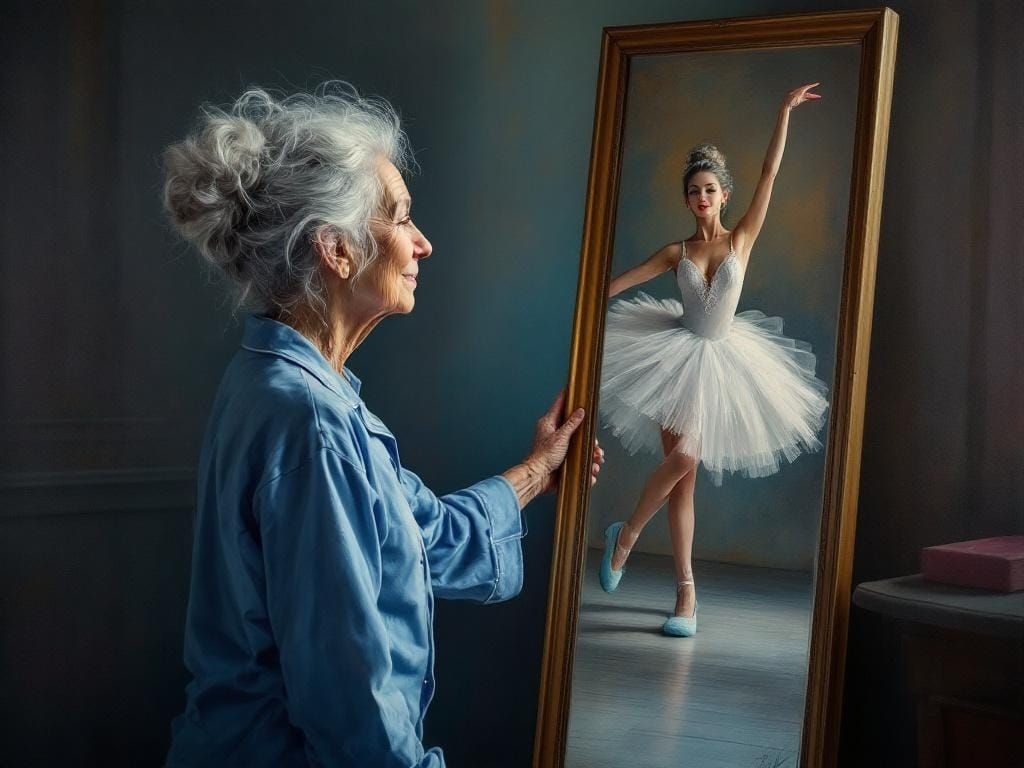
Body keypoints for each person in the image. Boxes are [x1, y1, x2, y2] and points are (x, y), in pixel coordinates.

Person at [161, 82, 603, 768]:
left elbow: (426, 533)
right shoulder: (309, 422)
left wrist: (538, 469)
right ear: (336, 251)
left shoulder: (295, 387)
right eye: (399, 218)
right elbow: (351, 706)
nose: (423, 243)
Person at [597, 83, 830, 637]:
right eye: (694, 191)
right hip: (673, 359)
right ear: (686, 200)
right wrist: (582, 299)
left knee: (687, 464)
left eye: (710, 189)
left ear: (725, 195)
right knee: (684, 478)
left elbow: (770, 175)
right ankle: (685, 596)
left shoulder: (742, 240)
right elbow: (616, 284)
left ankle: (626, 537)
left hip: (723, 363)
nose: (702, 198)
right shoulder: (676, 252)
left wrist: (782, 112)